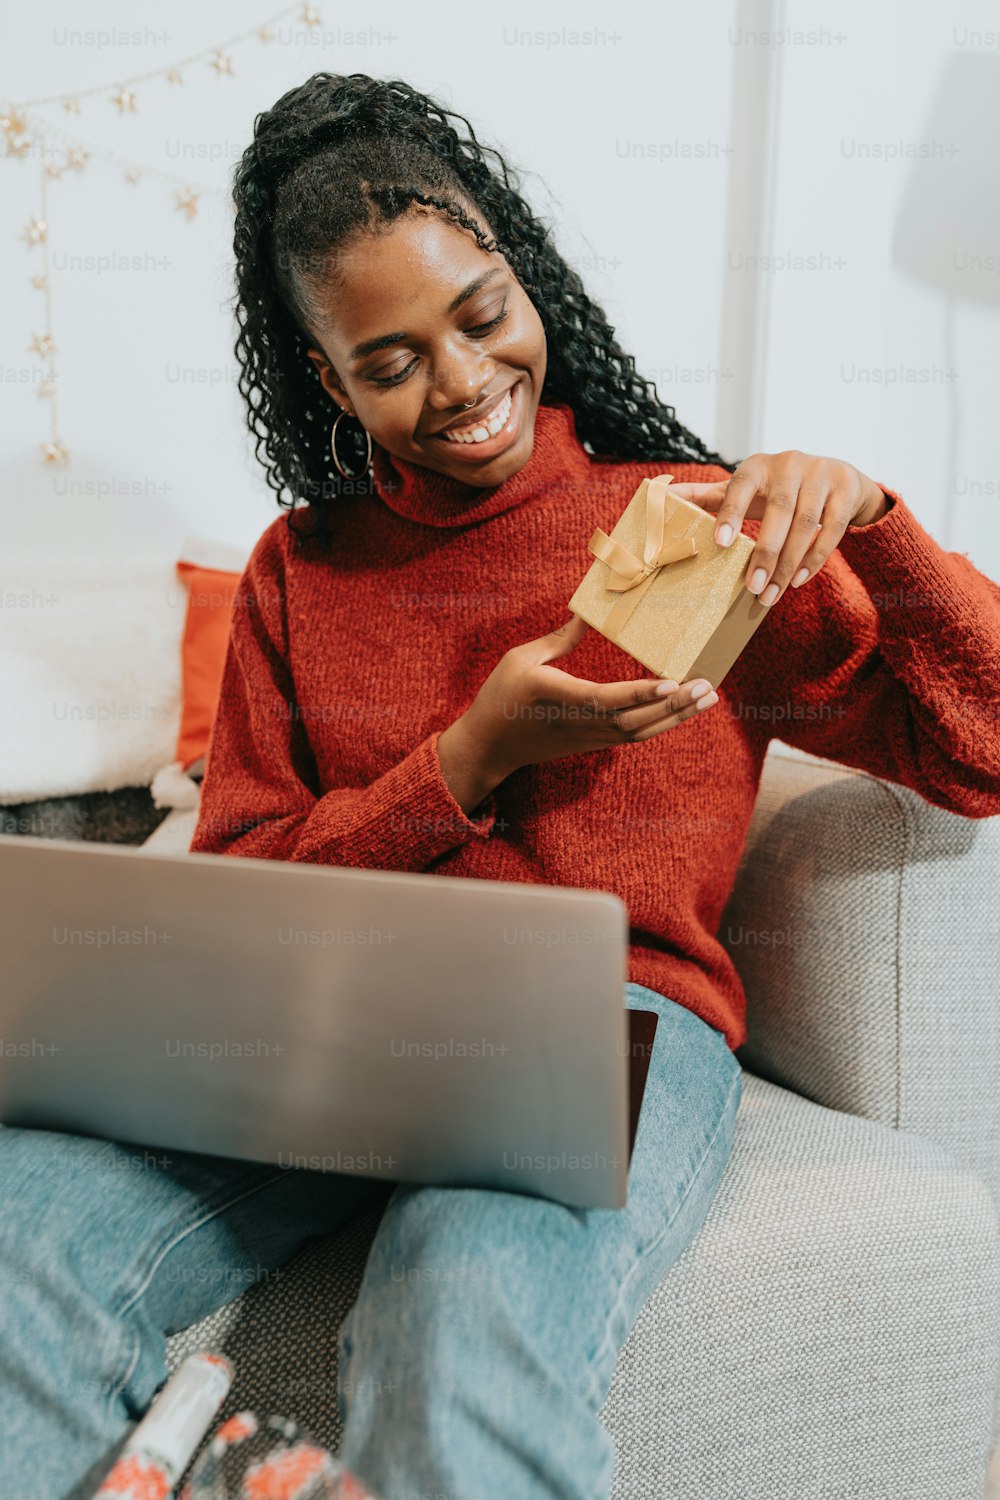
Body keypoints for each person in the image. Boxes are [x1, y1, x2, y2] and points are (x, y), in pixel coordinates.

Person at [3, 71, 999, 1500]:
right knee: (16, 1236)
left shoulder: (694, 530)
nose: (464, 381)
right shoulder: (306, 567)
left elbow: (982, 747)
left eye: (480, 314)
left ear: (524, 283)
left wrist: (879, 521)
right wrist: (471, 759)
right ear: (325, 378)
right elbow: (245, 896)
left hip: (600, 1012)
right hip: (320, 1013)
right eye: (391, 358)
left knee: (464, 1316)